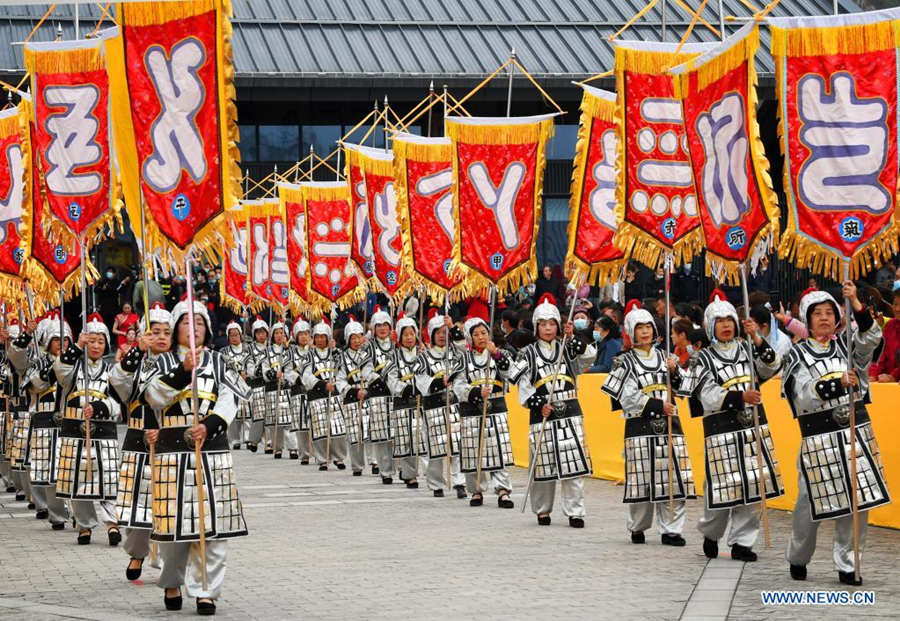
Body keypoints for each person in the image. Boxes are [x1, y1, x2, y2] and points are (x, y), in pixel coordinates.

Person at [142, 299, 249, 615]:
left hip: (211, 450)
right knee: (173, 525)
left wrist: (210, 425)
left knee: (213, 527)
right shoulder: (160, 361)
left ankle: (205, 590)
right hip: (172, 453)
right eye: (187, 322)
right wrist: (182, 371)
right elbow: (152, 397)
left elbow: (232, 398)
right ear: (176, 328)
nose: (194, 328)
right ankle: (171, 581)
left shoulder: (219, 361)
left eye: (199, 322)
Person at [782, 284, 890, 585]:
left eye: (830, 312)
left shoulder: (847, 347)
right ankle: (798, 556)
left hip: (855, 434)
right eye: (817, 313)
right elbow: (802, 395)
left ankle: (848, 564)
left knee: (857, 501)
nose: (824, 318)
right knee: (808, 504)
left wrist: (855, 300)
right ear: (807, 319)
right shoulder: (797, 355)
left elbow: (871, 337)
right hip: (819, 438)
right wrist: (836, 384)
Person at [678, 290, 784, 563]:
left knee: (754, 484)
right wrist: (740, 397)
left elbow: (771, 366)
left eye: (730, 320)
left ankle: (742, 543)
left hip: (752, 427)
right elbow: (707, 395)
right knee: (722, 487)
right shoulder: (702, 358)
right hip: (721, 428)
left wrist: (757, 338)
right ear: (711, 326)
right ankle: (711, 532)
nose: (726, 325)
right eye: (720, 321)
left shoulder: (748, 349)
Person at [601, 301, 694, 545]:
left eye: (648, 327)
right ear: (631, 332)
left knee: (673, 479)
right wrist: (657, 405)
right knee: (641, 479)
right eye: (639, 328)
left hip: (670, 425)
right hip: (640, 426)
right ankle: (638, 526)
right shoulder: (623, 361)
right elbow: (626, 397)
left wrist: (675, 372)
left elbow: (687, 388)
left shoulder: (668, 358)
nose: (645, 332)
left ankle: (672, 530)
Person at [508, 293, 596, 527]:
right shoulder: (527, 353)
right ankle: (542, 510)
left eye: (552, 324)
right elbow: (522, 385)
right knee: (542, 464)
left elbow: (589, 357)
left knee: (573, 464)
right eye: (543, 324)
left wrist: (573, 337)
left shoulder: (568, 347)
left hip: (569, 412)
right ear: (536, 327)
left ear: (559, 325)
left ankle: (575, 512)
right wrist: (538, 403)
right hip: (543, 413)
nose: (548, 328)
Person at [109, 302, 171, 581]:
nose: (161, 337)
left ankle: (169, 558)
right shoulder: (135, 362)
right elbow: (118, 385)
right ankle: (137, 552)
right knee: (136, 502)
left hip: (170, 440)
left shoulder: (182, 364)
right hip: (137, 437)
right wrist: (136, 352)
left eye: (166, 332)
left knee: (170, 500)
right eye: (155, 332)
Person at [53, 313, 122, 546]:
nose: (95, 345)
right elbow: (60, 372)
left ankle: (112, 523)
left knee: (109, 479)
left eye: (100, 341)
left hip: (104, 433)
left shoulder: (112, 371)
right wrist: (76, 347)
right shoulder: (73, 367)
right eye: (91, 341)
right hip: (75, 432)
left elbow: (118, 403)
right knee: (78, 479)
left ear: (106, 345)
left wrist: (101, 408)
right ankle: (84, 525)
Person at [453, 316, 515, 508]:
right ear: (469, 337)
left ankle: (503, 490)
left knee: (499, 448)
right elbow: (458, 386)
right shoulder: (463, 359)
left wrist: (496, 354)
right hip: (472, 409)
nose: (481, 337)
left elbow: (511, 373)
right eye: (476, 334)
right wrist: (476, 392)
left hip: (496, 407)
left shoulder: (500, 354)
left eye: (484, 333)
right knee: (473, 450)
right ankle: (476, 490)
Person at [19, 312, 72, 529]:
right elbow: (33, 386)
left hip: (70, 420)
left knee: (71, 468)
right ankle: (57, 514)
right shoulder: (38, 362)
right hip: (46, 418)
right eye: (57, 339)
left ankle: (76, 512)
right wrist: (54, 369)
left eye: (65, 339)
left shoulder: (78, 361)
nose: (62, 343)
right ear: (48, 341)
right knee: (50, 471)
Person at [415, 311, 467, 498]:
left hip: (455, 405)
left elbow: (464, 345)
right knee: (436, 448)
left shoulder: (456, 353)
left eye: (445, 332)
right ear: (432, 334)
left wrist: (453, 327)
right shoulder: (424, 357)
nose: (442, 336)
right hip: (434, 405)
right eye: (438, 332)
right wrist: (438, 382)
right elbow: (421, 381)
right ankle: (436, 483)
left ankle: (460, 482)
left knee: (457, 445)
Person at [302, 320, 347, 470]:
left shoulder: (335, 353)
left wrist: (335, 350)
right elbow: (306, 376)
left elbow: (343, 368)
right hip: (317, 394)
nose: (320, 339)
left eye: (323, 337)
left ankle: (339, 457)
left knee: (338, 426)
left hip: (334, 394)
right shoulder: (309, 355)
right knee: (320, 428)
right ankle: (322, 458)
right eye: (318, 337)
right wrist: (321, 384)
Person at [385, 313, 423, 488]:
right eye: (405, 334)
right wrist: (403, 388)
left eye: (412, 334)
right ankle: (409, 474)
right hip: (403, 402)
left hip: (421, 401)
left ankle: (425, 473)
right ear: (400, 337)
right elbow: (391, 379)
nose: (409, 338)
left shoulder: (423, 354)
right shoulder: (394, 356)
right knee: (406, 438)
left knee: (420, 438)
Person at [362, 307, 395, 483]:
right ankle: (386, 471)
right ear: (373, 328)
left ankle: (403, 469)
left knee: (399, 432)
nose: (382, 328)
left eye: (385, 325)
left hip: (397, 395)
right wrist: (381, 379)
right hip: (378, 393)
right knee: (382, 435)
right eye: (379, 325)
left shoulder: (397, 345)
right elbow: (366, 370)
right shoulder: (368, 347)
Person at [336, 316, 370, 475]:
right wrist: (354, 391)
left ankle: (374, 461)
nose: (357, 341)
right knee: (355, 432)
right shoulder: (342, 357)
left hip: (369, 394)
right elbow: (340, 380)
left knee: (372, 429)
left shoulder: (369, 354)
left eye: (359, 337)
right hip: (352, 396)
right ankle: (357, 465)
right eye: (353, 338)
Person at [261, 321, 299, 459]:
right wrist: (272, 374)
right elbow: (264, 369)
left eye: (282, 333)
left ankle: (293, 447)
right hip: (272, 388)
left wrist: (287, 377)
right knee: (274, 420)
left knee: (288, 420)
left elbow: (295, 366)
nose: (279, 336)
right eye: (276, 333)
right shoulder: (267, 351)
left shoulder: (291, 350)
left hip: (286, 388)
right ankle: (277, 447)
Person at [220, 321, 251, 449]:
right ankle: (234, 439)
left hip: (246, 384)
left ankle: (248, 437)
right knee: (233, 412)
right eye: (231, 335)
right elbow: (222, 368)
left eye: (236, 335)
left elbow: (252, 363)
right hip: (231, 385)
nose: (234, 337)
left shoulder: (247, 349)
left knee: (247, 411)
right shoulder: (224, 351)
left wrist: (247, 373)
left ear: (240, 335)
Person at [243, 317, 270, 453]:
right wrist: (257, 370)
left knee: (270, 414)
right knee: (259, 414)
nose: (261, 335)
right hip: (257, 384)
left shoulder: (271, 348)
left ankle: (269, 442)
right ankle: (253, 439)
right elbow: (249, 367)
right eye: (258, 332)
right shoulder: (250, 349)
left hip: (270, 384)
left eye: (263, 332)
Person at [289, 319, 313, 464]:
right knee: (301, 423)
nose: (304, 337)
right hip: (298, 390)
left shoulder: (314, 351)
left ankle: (318, 452)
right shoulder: (291, 352)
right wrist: (298, 378)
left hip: (314, 391)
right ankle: (304, 453)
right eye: (301, 334)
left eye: (306, 333)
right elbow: (288, 371)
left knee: (315, 422)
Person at [869, 289, 900, 383]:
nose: (897, 309)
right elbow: (881, 354)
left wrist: (893, 376)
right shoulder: (891, 325)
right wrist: (873, 374)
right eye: (895, 304)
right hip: (886, 382)